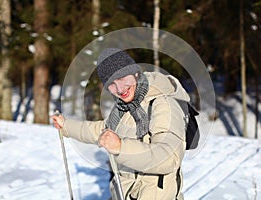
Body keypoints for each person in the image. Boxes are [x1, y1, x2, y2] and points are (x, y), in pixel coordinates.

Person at [52, 48, 190, 200]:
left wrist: (121, 147)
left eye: (122, 77)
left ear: (135, 73)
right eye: (111, 83)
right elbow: (101, 131)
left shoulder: (164, 104)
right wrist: (66, 126)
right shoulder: (123, 108)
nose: (119, 88)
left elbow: (169, 157)